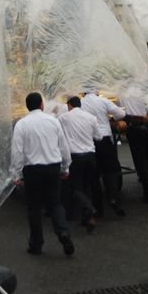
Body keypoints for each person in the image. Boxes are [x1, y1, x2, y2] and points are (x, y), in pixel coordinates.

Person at [9, 92, 74, 256]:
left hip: (32, 170)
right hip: (52, 166)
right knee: (55, 203)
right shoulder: (53, 121)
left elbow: (17, 151)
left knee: (34, 207)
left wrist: (15, 174)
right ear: (41, 105)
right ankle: (63, 232)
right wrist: (66, 167)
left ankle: (36, 243)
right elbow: (63, 147)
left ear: (27, 106)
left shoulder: (22, 124)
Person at [58, 96, 102, 232]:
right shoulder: (91, 117)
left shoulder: (64, 117)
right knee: (86, 186)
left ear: (69, 105)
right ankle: (86, 218)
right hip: (90, 155)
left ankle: (90, 209)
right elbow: (99, 137)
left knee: (75, 188)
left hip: (75, 157)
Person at [81, 89, 126, 216]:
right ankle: (113, 198)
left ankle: (97, 207)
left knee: (94, 174)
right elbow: (121, 114)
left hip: (90, 141)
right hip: (105, 139)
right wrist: (112, 118)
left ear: (83, 92)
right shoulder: (102, 100)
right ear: (96, 91)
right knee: (110, 171)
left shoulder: (81, 103)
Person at [119, 83, 148, 202]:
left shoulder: (121, 94)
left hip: (133, 127)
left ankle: (147, 189)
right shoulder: (142, 91)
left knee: (139, 159)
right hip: (145, 125)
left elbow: (120, 111)